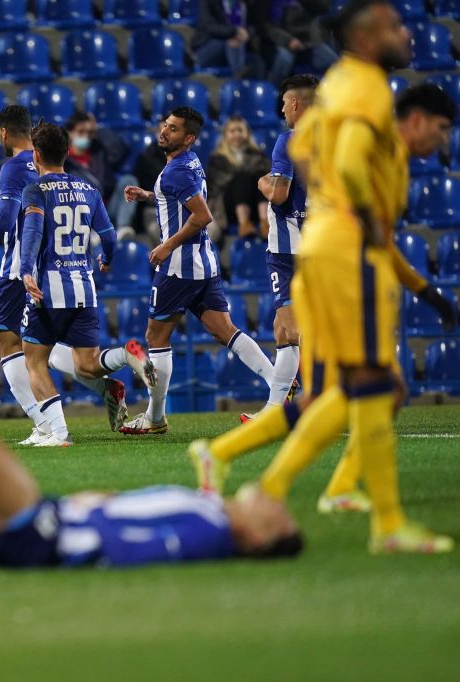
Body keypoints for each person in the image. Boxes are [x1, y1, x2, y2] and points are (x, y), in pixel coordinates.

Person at [196, 1, 455, 555]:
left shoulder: (337, 92)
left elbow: (310, 152)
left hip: (331, 249)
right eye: (393, 25)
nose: (405, 33)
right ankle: (375, 519)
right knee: (370, 384)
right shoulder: (363, 87)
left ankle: (246, 468)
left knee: (355, 389)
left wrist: (423, 289)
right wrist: (353, 209)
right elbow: (350, 162)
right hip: (345, 252)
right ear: (365, 36)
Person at [0, 420, 303, 580]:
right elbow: (137, 513)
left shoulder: (212, 530)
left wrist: (85, 536)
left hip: (51, 536)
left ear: (259, 537)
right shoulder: (211, 509)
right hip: (55, 524)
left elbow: (149, 546)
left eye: (279, 518)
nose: (276, 503)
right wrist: (99, 502)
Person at [0, 107, 138, 445]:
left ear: (4, 134)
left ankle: (46, 424)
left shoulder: (12, 168)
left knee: (11, 343)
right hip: (70, 271)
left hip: (23, 267)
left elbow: (7, 219)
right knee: (44, 348)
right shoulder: (73, 179)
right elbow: (107, 235)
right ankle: (102, 384)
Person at [121, 107, 276, 436]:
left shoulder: (177, 170)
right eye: (165, 125)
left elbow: (203, 216)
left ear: (188, 138)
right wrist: (151, 195)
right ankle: (279, 387)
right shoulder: (189, 162)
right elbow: (182, 201)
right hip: (203, 262)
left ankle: (155, 417)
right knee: (224, 330)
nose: (164, 131)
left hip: (180, 266)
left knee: (155, 338)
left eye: (173, 129)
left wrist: (167, 245)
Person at [17, 123, 158, 446]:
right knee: (88, 366)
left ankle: (59, 433)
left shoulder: (35, 190)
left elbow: (34, 232)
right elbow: (108, 236)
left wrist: (27, 270)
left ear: (36, 155)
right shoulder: (88, 189)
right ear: (67, 152)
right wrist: (106, 258)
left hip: (48, 292)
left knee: (35, 361)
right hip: (83, 287)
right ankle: (125, 354)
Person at [239, 74, 319, 421]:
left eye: (286, 102)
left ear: (297, 104)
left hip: (289, 251)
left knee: (289, 326)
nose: (283, 109)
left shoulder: (290, 140)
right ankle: (279, 406)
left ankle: (282, 411)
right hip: (324, 246)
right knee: (283, 328)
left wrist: (262, 182)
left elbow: (281, 193)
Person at [61, 111, 130, 233]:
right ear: (70, 133)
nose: (86, 136)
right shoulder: (64, 160)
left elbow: (120, 148)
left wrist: (98, 128)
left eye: (89, 132)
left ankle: (121, 230)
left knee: (129, 181)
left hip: (107, 208)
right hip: (82, 214)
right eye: (81, 132)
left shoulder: (99, 151)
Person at [206, 116, 271, 239]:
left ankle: (265, 222)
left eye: (240, 130)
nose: (237, 134)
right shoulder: (217, 158)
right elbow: (217, 185)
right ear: (225, 135)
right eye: (232, 131)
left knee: (261, 177)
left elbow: (268, 179)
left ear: (247, 133)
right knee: (241, 177)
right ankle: (244, 223)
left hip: (255, 206)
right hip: (227, 208)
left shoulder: (258, 155)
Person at [259, 0, 339, 85]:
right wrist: (288, 40)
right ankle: (275, 92)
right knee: (284, 59)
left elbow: (323, 8)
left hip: (309, 42)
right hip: (283, 43)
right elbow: (267, 26)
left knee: (335, 63)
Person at [192, 0, 266, 78]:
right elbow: (208, 27)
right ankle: (238, 76)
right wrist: (234, 32)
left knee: (258, 61)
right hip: (206, 48)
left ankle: (256, 87)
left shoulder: (244, 3)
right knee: (232, 40)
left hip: (236, 46)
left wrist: (247, 33)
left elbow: (253, 25)